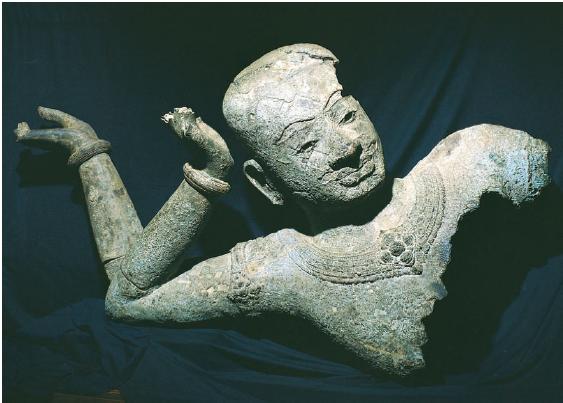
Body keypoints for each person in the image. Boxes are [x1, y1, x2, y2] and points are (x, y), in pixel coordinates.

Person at [15, 44, 550, 375]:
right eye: (306, 144)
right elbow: (127, 297)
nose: (347, 146)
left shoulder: (476, 158)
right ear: (266, 183)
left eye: (344, 115)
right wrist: (198, 171)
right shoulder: (281, 268)